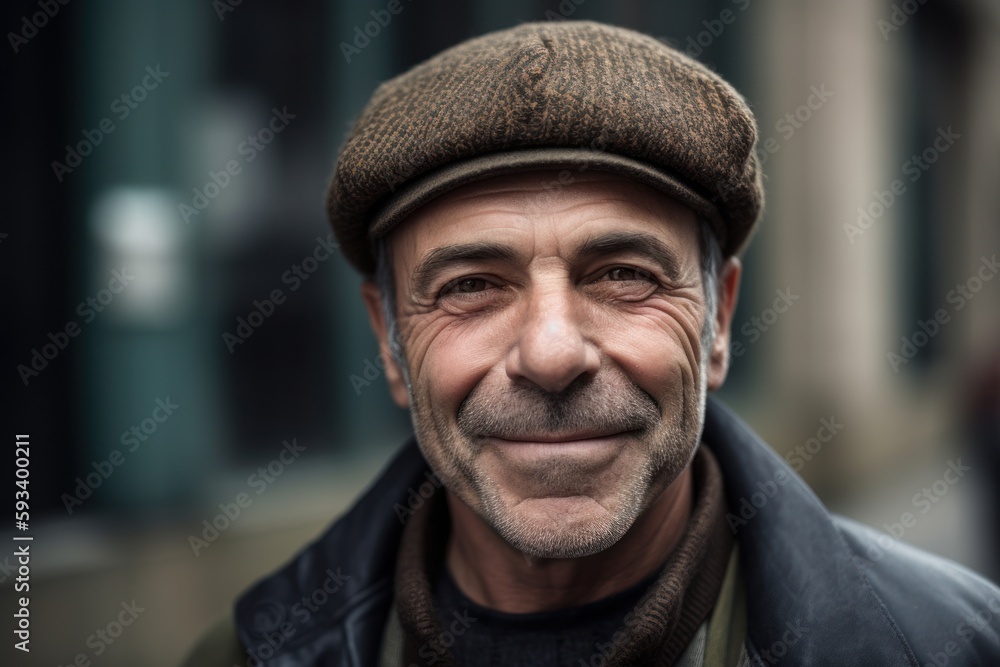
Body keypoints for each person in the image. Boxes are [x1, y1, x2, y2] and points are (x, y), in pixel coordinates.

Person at [183, 21, 1000, 667]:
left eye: (622, 275)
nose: (550, 353)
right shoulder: (249, 654)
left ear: (717, 320)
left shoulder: (947, 647)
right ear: (390, 343)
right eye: (470, 285)